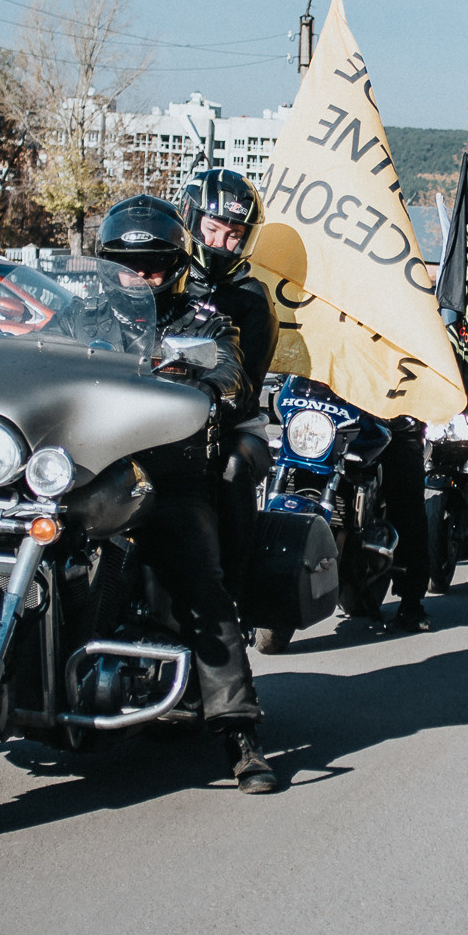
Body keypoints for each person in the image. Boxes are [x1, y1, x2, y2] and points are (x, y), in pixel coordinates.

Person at [95, 191, 277, 794]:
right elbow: (26, 349)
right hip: (88, 468)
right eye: (126, 263)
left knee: (197, 573)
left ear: (175, 266)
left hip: (168, 473)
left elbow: (230, 373)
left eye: (151, 266)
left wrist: (195, 369)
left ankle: (239, 731)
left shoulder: (204, 319)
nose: (138, 277)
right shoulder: (81, 316)